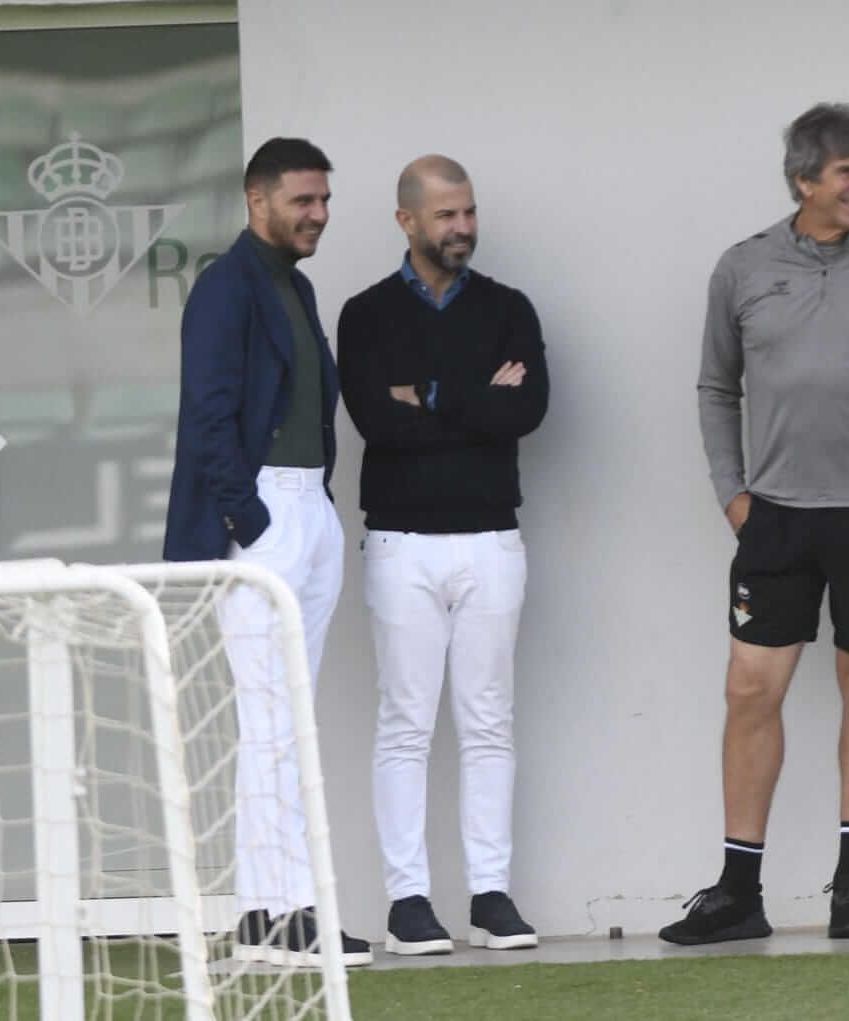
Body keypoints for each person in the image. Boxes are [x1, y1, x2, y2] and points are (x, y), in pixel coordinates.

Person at [661, 103, 849, 946]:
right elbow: (713, 387)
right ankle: (736, 893)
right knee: (748, 689)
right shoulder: (743, 268)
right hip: (778, 520)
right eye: (847, 173)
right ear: (804, 178)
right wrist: (733, 493)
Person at [164, 136, 372, 968]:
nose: (318, 214)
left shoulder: (298, 285)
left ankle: (268, 912)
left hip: (306, 508)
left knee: (287, 717)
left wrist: (306, 510)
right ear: (258, 201)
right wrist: (252, 522)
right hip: (262, 517)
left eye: (323, 200)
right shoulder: (224, 287)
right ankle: (281, 914)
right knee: (270, 718)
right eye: (303, 201)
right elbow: (206, 416)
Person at [338, 154, 548, 956]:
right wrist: (473, 396)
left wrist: (425, 391)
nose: (461, 227)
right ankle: (408, 902)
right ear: (407, 222)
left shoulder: (508, 308)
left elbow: (527, 406)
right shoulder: (364, 315)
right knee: (405, 722)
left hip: (492, 537)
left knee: (488, 720)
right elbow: (374, 419)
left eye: (467, 212)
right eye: (445, 216)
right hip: (399, 542)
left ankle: (490, 895)